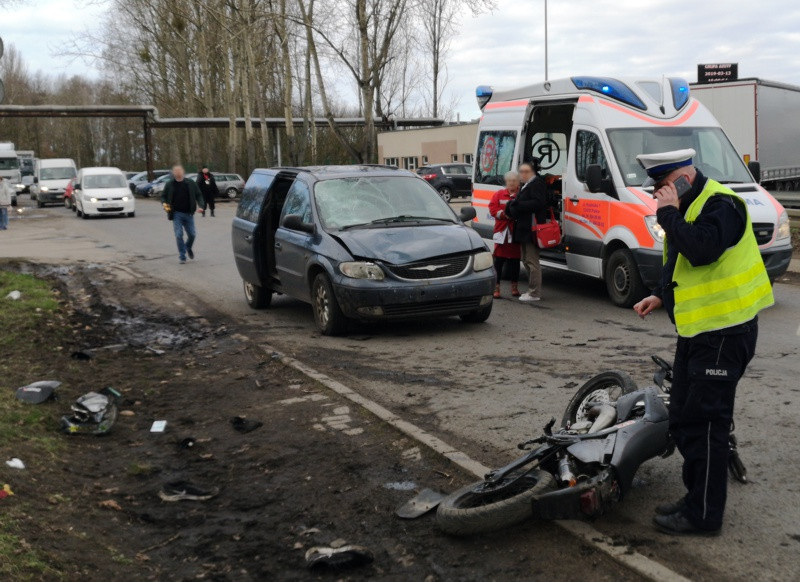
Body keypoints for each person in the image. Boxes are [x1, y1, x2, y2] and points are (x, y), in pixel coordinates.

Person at [632, 149, 773, 536]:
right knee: (682, 418)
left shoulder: (722, 205)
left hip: (727, 332)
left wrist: (668, 212)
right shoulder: (687, 206)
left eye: (662, 186)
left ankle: (703, 515)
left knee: (707, 423)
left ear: (682, 178)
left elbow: (703, 248)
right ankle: (696, 496)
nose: (658, 194)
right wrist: (662, 293)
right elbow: (679, 257)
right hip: (699, 332)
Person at [507, 160, 549, 302]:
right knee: (525, 259)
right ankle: (531, 290)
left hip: (531, 229)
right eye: (521, 171)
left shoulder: (537, 183)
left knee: (532, 261)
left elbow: (538, 203)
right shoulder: (526, 185)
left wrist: (518, 204)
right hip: (524, 229)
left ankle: (535, 293)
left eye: (525, 172)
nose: (522, 174)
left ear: (532, 172)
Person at [161, 165, 205, 264]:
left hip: (189, 213)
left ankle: (187, 247)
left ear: (183, 172)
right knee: (179, 234)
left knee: (192, 235)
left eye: (179, 172)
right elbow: (163, 196)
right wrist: (164, 204)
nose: (178, 174)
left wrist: (201, 206)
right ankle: (182, 256)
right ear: (173, 173)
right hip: (176, 213)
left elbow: (199, 195)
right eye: (176, 172)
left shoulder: (190, 183)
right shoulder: (170, 184)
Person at [488, 171, 522, 298]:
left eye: (514, 181)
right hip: (502, 231)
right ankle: (496, 288)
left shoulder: (521, 195)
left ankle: (514, 287)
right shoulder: (498, 194)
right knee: (499, 260)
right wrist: (504, 214)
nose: (511, 183)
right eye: (509, 181)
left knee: (515, 261)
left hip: (515, 232)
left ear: (518, 182)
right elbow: (492, 209)